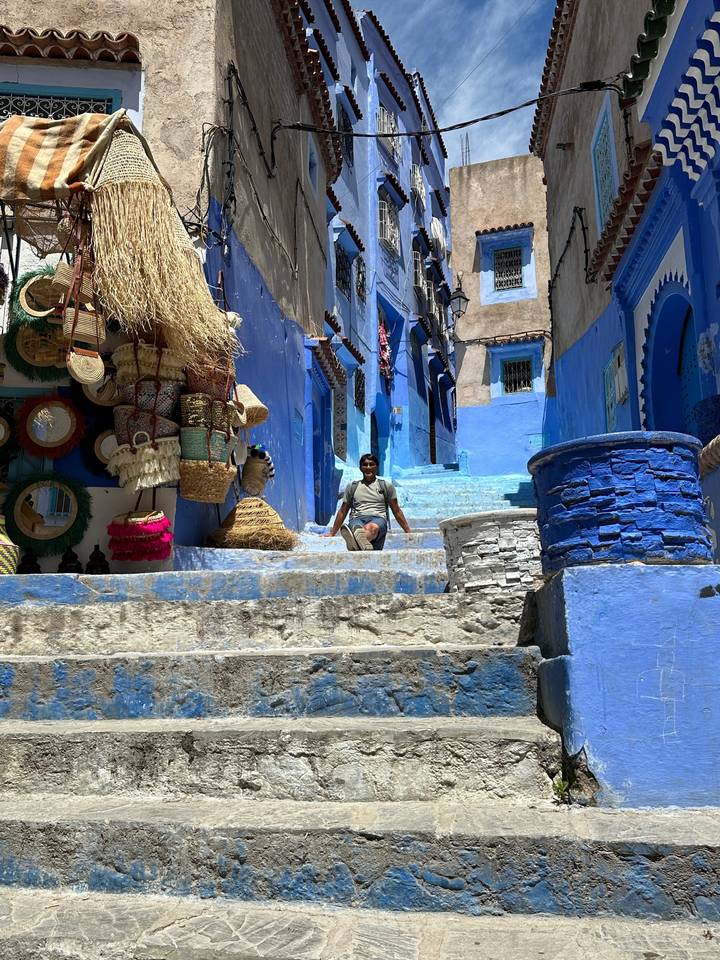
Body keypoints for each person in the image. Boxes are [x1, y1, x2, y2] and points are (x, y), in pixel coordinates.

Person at [324, 453, 411, 551]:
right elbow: (343, 511)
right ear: (360, 468)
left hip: (378, 519)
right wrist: (332, 533)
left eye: (371, 464)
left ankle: (354, 542)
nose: (368, 467)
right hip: (357, 519)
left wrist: (407, 530)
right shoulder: (352, 487)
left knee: (371, 527)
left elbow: (396, 510)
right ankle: (361, 542)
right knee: (358, 528)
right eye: (365, 465)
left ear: (377, 467)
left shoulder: (386, 486)